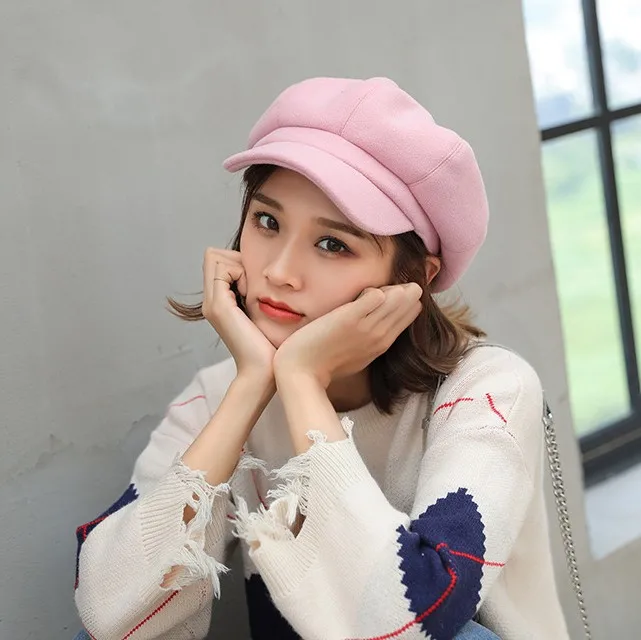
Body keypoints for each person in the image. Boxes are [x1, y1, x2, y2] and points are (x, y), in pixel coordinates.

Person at [73, 77, 570, 640]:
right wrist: (252, 385)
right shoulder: (219, 395)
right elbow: (110, 614)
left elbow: (415, 620)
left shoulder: (486, 390)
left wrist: (303, 382)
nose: (280, 270)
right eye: (267, 222)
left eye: (333, 244)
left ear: (413, 278)